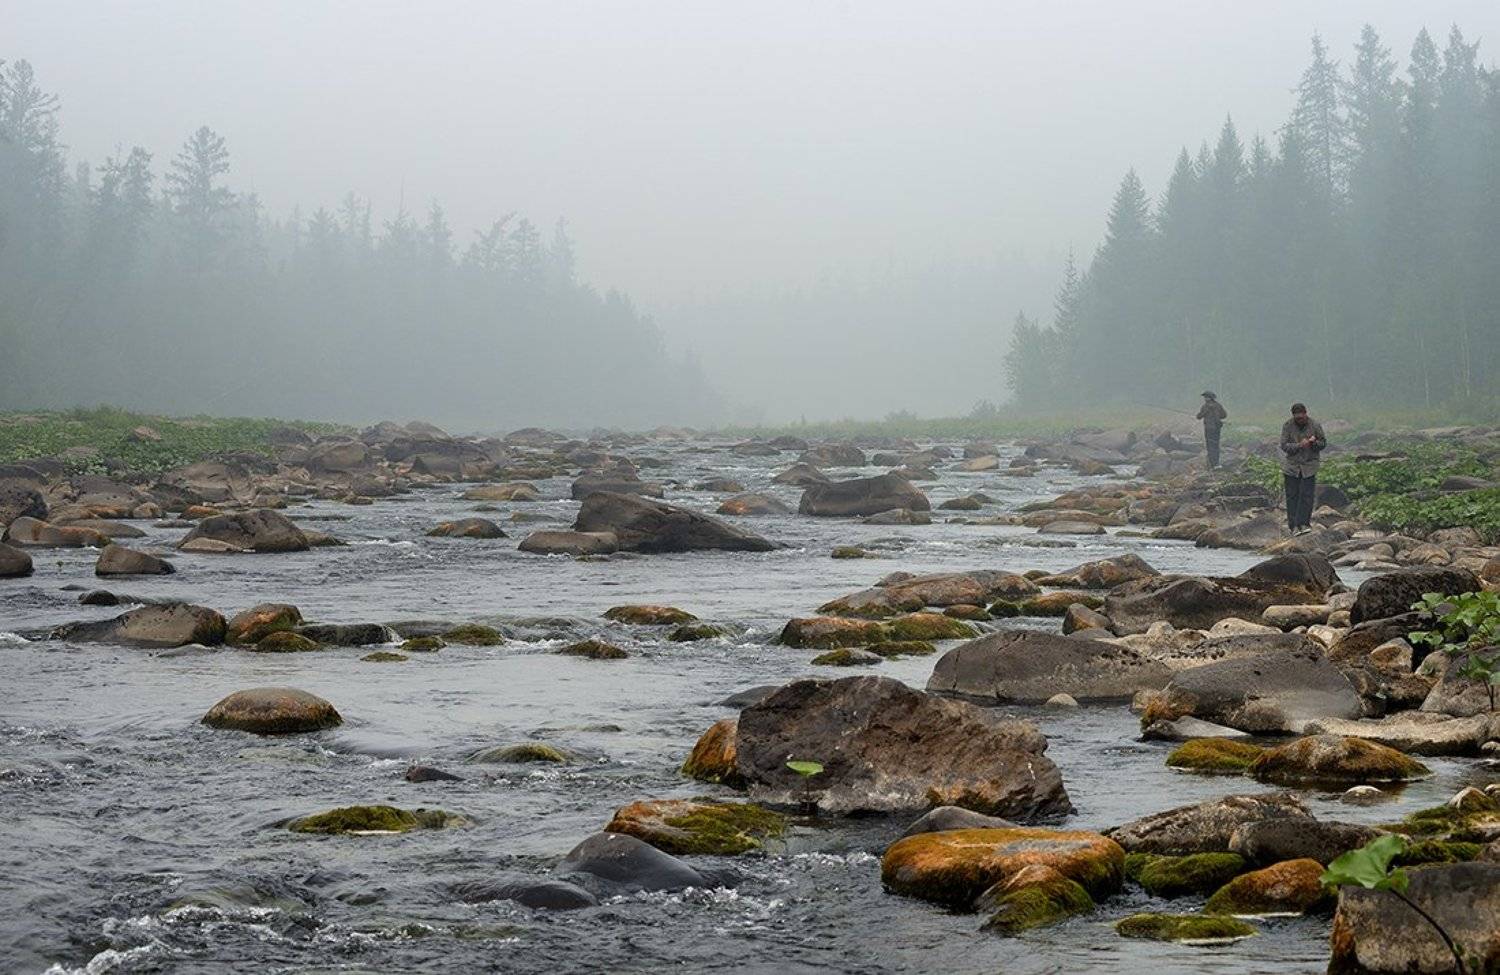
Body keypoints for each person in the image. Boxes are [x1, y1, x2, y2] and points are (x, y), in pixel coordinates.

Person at [1279, 402, 1327, 534]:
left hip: (1309, 466)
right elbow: (1284, 446)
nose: (1300, 420)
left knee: (1307, 496)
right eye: (1297, 418)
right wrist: (1300, 445)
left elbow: (1323, 443)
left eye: (1302, 417)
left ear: (1306, 414)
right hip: (1292, 467)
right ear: (1293, 416)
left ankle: (1304, 523)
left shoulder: (1315, 425)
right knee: (1292, 496)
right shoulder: (1288, 426)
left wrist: (1313, 443)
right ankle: (1293, 526)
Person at [1196, 391, 1227, 469]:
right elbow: (1224, 415)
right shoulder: (1218, 405)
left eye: (1206, 397)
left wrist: (1203, 413)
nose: (1205, 398)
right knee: (1215, 445)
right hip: (1216, 428)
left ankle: (1212, 464)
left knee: (1210, 446)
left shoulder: (1205, 406)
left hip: (1209, 429)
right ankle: (1215, 463)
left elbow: (1199, 417)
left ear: (1209, 398)